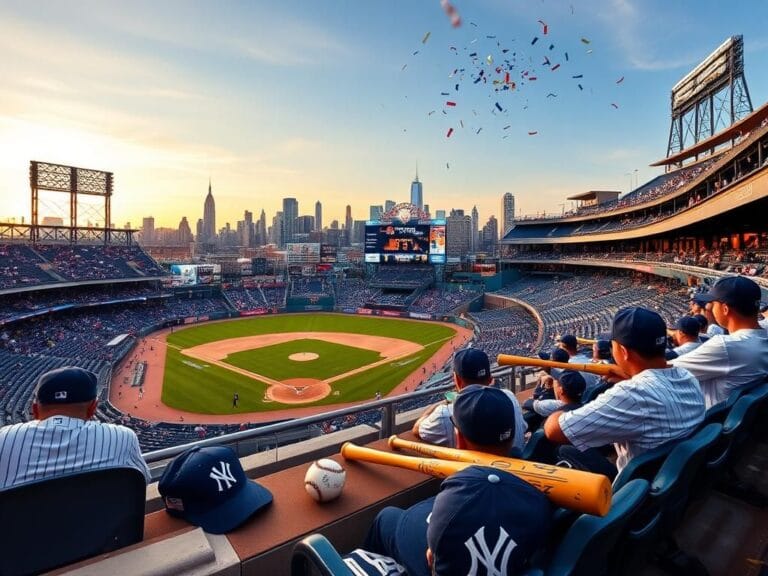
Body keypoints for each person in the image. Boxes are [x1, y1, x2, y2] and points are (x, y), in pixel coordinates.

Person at [365, 386, 552, 576]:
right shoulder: (537, 498)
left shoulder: (459, 490)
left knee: (386, 517)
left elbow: (432, 558)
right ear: (512, 435)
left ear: (460, 440)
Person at [543, 307, 705, 480]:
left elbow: (553, 430)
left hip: (635, 494)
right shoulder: (687, 377)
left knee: (564, 449)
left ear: (624, 352)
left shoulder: (632, 395)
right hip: (680, 480)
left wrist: (566, 405)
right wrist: (631, 376)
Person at [0, 367, 151, 489]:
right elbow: (142, 481)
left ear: (35, 409)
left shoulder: (4, 438)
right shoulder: (122, 437)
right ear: (93, 408)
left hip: (21, 526)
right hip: (102, 525)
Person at [671, 276, 768, 408]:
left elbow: (663, 373)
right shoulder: (763, 335)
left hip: (710, 422)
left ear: (725, 309)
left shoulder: (727, 346)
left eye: (714, 303)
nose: (710, 308)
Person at [412, 348, 526, 453]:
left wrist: (442, 403)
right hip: (520, 468)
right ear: (490, 378)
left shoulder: (445, 413)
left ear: (457, 380)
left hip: (471, 471)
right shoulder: (509, 397)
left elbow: (417, 429)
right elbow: (523, 428)